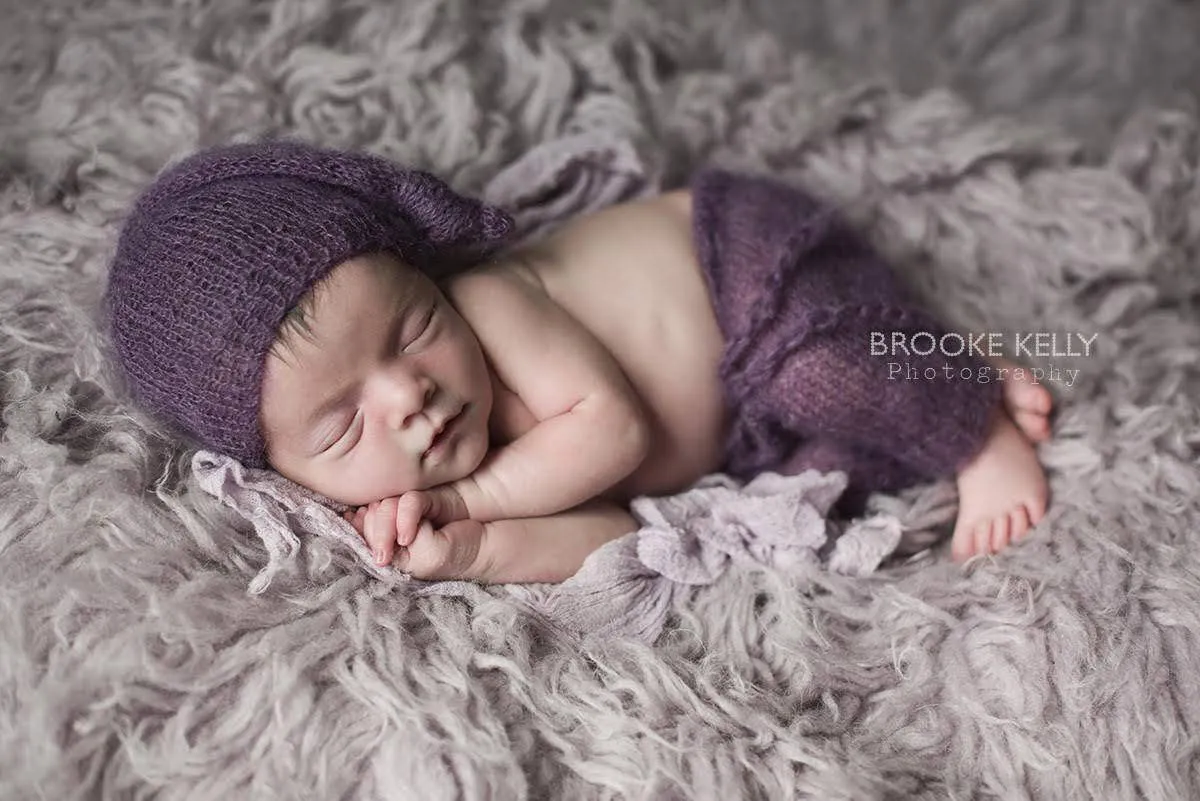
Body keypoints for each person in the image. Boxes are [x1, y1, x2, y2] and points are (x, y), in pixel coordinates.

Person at [104, 140, 1051, 584]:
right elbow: (611, 534)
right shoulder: (442, 480)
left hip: (739, 261)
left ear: (429, 280)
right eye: (345, 425)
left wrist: (471, 499)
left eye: (410, 328)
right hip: (742, 420)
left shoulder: (488, 304)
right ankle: (940, 364)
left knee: (819, 370)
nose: (408, 392)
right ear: (287, 472)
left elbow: (616, 430)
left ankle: (974, 432)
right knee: (829, 469)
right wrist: (472, 548)